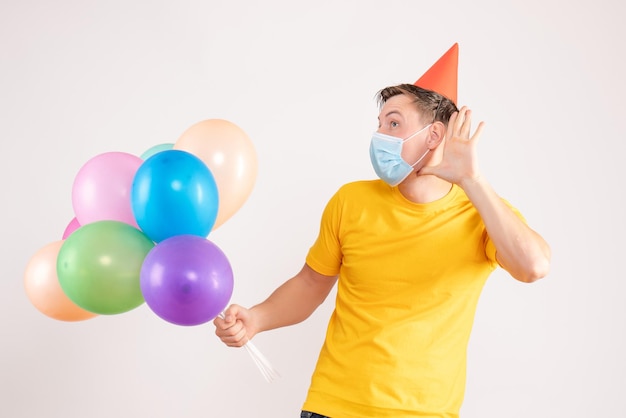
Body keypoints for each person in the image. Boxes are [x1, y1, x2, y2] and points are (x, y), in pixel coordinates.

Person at [213, 44, 551, 418]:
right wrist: (257, 318)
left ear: (434, 136)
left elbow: (533, 266)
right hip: (332, 407)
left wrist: (472, 179)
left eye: (393, 124)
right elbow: (310, 284)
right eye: (379, 124)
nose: (379, 135)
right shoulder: (351, 201)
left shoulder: (482, 213)